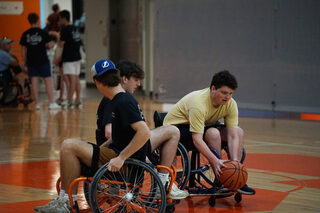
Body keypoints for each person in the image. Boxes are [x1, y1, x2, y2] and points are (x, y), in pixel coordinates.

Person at [34, 59, 188, 213]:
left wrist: (121, 158)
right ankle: (65, 200)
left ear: (96, 81)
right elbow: (118, 137)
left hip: (126, 163)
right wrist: (97, 149)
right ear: (117, 76)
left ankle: (66, 202)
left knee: (68, 145)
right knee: (73, 148)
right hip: (120, 155)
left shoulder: (123, 101)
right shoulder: (119, 99)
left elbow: (144, 132)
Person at [163, 70, 256, 195]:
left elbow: (233, 135)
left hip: (204, 124)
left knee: (238, 131)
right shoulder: (198, 103)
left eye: (230, 93)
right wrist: (214, 160)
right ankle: (220, 178)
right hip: (177, 129)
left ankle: (234, 176)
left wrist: (235, 164)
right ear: (213, 88)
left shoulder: (231, 104)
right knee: (213, 134)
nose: (227, 97)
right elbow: (197, 139)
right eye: (224, 93)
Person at [96, 60, 144, 145]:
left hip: (123, 146)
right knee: (170, 132)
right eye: (136, 80)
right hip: (115, 150)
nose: (138, 84)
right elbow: (109, 133)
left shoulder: (124, 97)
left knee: (167, 131)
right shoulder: (112, 99)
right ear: (125, 79)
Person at [20, 13, 61, 110]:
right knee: (48, 81)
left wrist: (25, 61)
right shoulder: (43, 32)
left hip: (31, 61)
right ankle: (51, 103)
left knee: (34, 82)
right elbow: (50, 45)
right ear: (38, 20)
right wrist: (45, 46)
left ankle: (37, 104)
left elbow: (23, 49)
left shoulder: (26, 34)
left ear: (29, 21)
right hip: (43, 60)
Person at [58, 10, 82, 108]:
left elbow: (60, 44)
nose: (59, 21)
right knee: (76, 78)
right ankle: (78, 99)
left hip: (69, 57)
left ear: (64, 18)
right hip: (77, 56)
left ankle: (70, 101)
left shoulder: (65, 29)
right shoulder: (75, 28)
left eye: (60, 19)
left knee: (71, 79)